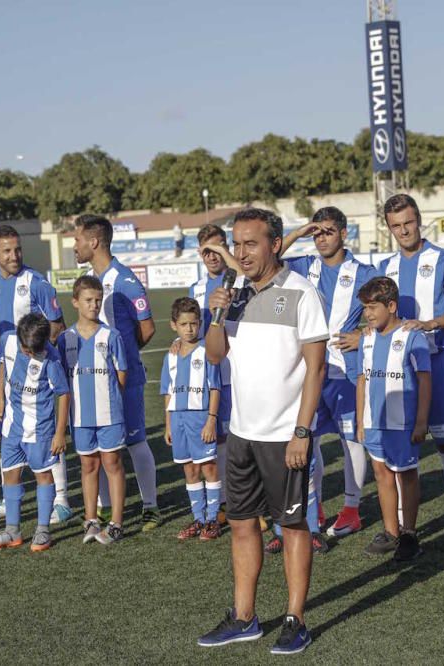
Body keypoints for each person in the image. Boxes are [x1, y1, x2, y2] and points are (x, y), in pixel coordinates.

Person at [198, 208, 326, 655]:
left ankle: (295, 620)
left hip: (284, 437)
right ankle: (244, 617)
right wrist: (217, 314)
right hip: (242, 435)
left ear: (275, 244)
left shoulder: (300, 292)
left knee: (292, 526)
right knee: (240, 525)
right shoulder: (232, 296)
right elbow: (215, 355)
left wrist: (302, 431)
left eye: (251, 243)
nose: (241, 252)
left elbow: (317, 368)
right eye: (237, 244)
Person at [278, 207, 376, 548]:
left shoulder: (363, 272)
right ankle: (314, 510)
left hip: (347, 372)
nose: (322, 238)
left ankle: (351, 508)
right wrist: (301, 230)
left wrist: (363, 336)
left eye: (328, 232)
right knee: (310, 440)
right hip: (310, 372)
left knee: (352, 441)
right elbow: (273, 256)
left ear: (344, 233)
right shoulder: (306, 266)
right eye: (317, 233)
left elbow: (387, 316)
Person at [377, 194, 444, 548]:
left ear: (419, 221)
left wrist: (431, 323)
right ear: (389, 228)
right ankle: (402, 528)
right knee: (399, 448)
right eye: (396, 226)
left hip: (434, 363)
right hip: (396, 373)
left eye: (408, 223)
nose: (403, 230)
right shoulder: (384, 268)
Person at [73, 214, 161, 529]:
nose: (74, 245)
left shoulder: (123, 280)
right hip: (93, 384)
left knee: (135, 441)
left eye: (77, 239)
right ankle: (107, 510)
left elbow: (148, 328)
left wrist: (123, 360)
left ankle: (150, 505)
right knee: (100, 448)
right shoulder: (92, 282)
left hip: (125, 379)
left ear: (93, 242)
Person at [0, 225, 67, 524]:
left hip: (35, 370)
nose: (13, 255)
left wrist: (41, 357)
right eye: (6, 250)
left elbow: (57, 325)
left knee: (45, 433)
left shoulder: (36, 282)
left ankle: (62, 500)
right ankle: (9, 499)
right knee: (8, 435)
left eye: (17, 249)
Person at [355, 277, 430, 562]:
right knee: (381, 474)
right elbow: (362, 380)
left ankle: (409, 533)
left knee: (406, 475)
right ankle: (391, 532)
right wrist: (362, 420)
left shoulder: (412, 336)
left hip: (402, 422)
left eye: (373, 307)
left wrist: (421, 420)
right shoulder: (368, 339)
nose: (368, 313)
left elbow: (424, 380)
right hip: (375, 421)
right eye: (365, 308)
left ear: (392, 306)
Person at [0, 313, 70, 552]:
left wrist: (60, 432)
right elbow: (3, 365)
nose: (28, 354)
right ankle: (12, 530)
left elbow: (63, 394)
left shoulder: (50, 360)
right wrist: (0, 396)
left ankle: (42, 529)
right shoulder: (8, 340)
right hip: (12, 425)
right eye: (25, 349)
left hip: (39, 428)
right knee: (10, 474)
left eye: (33, 351)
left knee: (42, 475)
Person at [57, 276, 129, 545]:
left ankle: (117, 523)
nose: (94, 305)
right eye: (88, 300)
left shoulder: (111, 336)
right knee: (88, 465)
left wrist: (112, 399)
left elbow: (121, 373)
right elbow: (62, 379)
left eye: (98, 300)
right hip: (80, 416)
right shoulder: (66, 338)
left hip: (110, 413)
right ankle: (90, 520)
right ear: (75, 302)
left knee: (112, 463)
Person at [161, 297, 222, 541]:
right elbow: (168, 391)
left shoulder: (207, 351)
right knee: (189, 469)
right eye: (184, 324)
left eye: (194, 323)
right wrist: (167, 425)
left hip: (200, 419)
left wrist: (211, 420)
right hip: (178, 420)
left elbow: (215, 388)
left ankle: (213, 519)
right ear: (174, 325)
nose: (189, 329)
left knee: (208, 467)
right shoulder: (171, 355)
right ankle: (198, 518)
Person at [189, 224, 236, 524]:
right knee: (218, 441)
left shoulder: (238, 279)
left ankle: (247, 501)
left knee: (239, 439)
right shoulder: (194, 289)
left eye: (218, 249)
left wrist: (224, 252)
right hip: (210, 377)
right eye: (207, 250)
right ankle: (225, 503)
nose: (213, 256)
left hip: (238, 371)